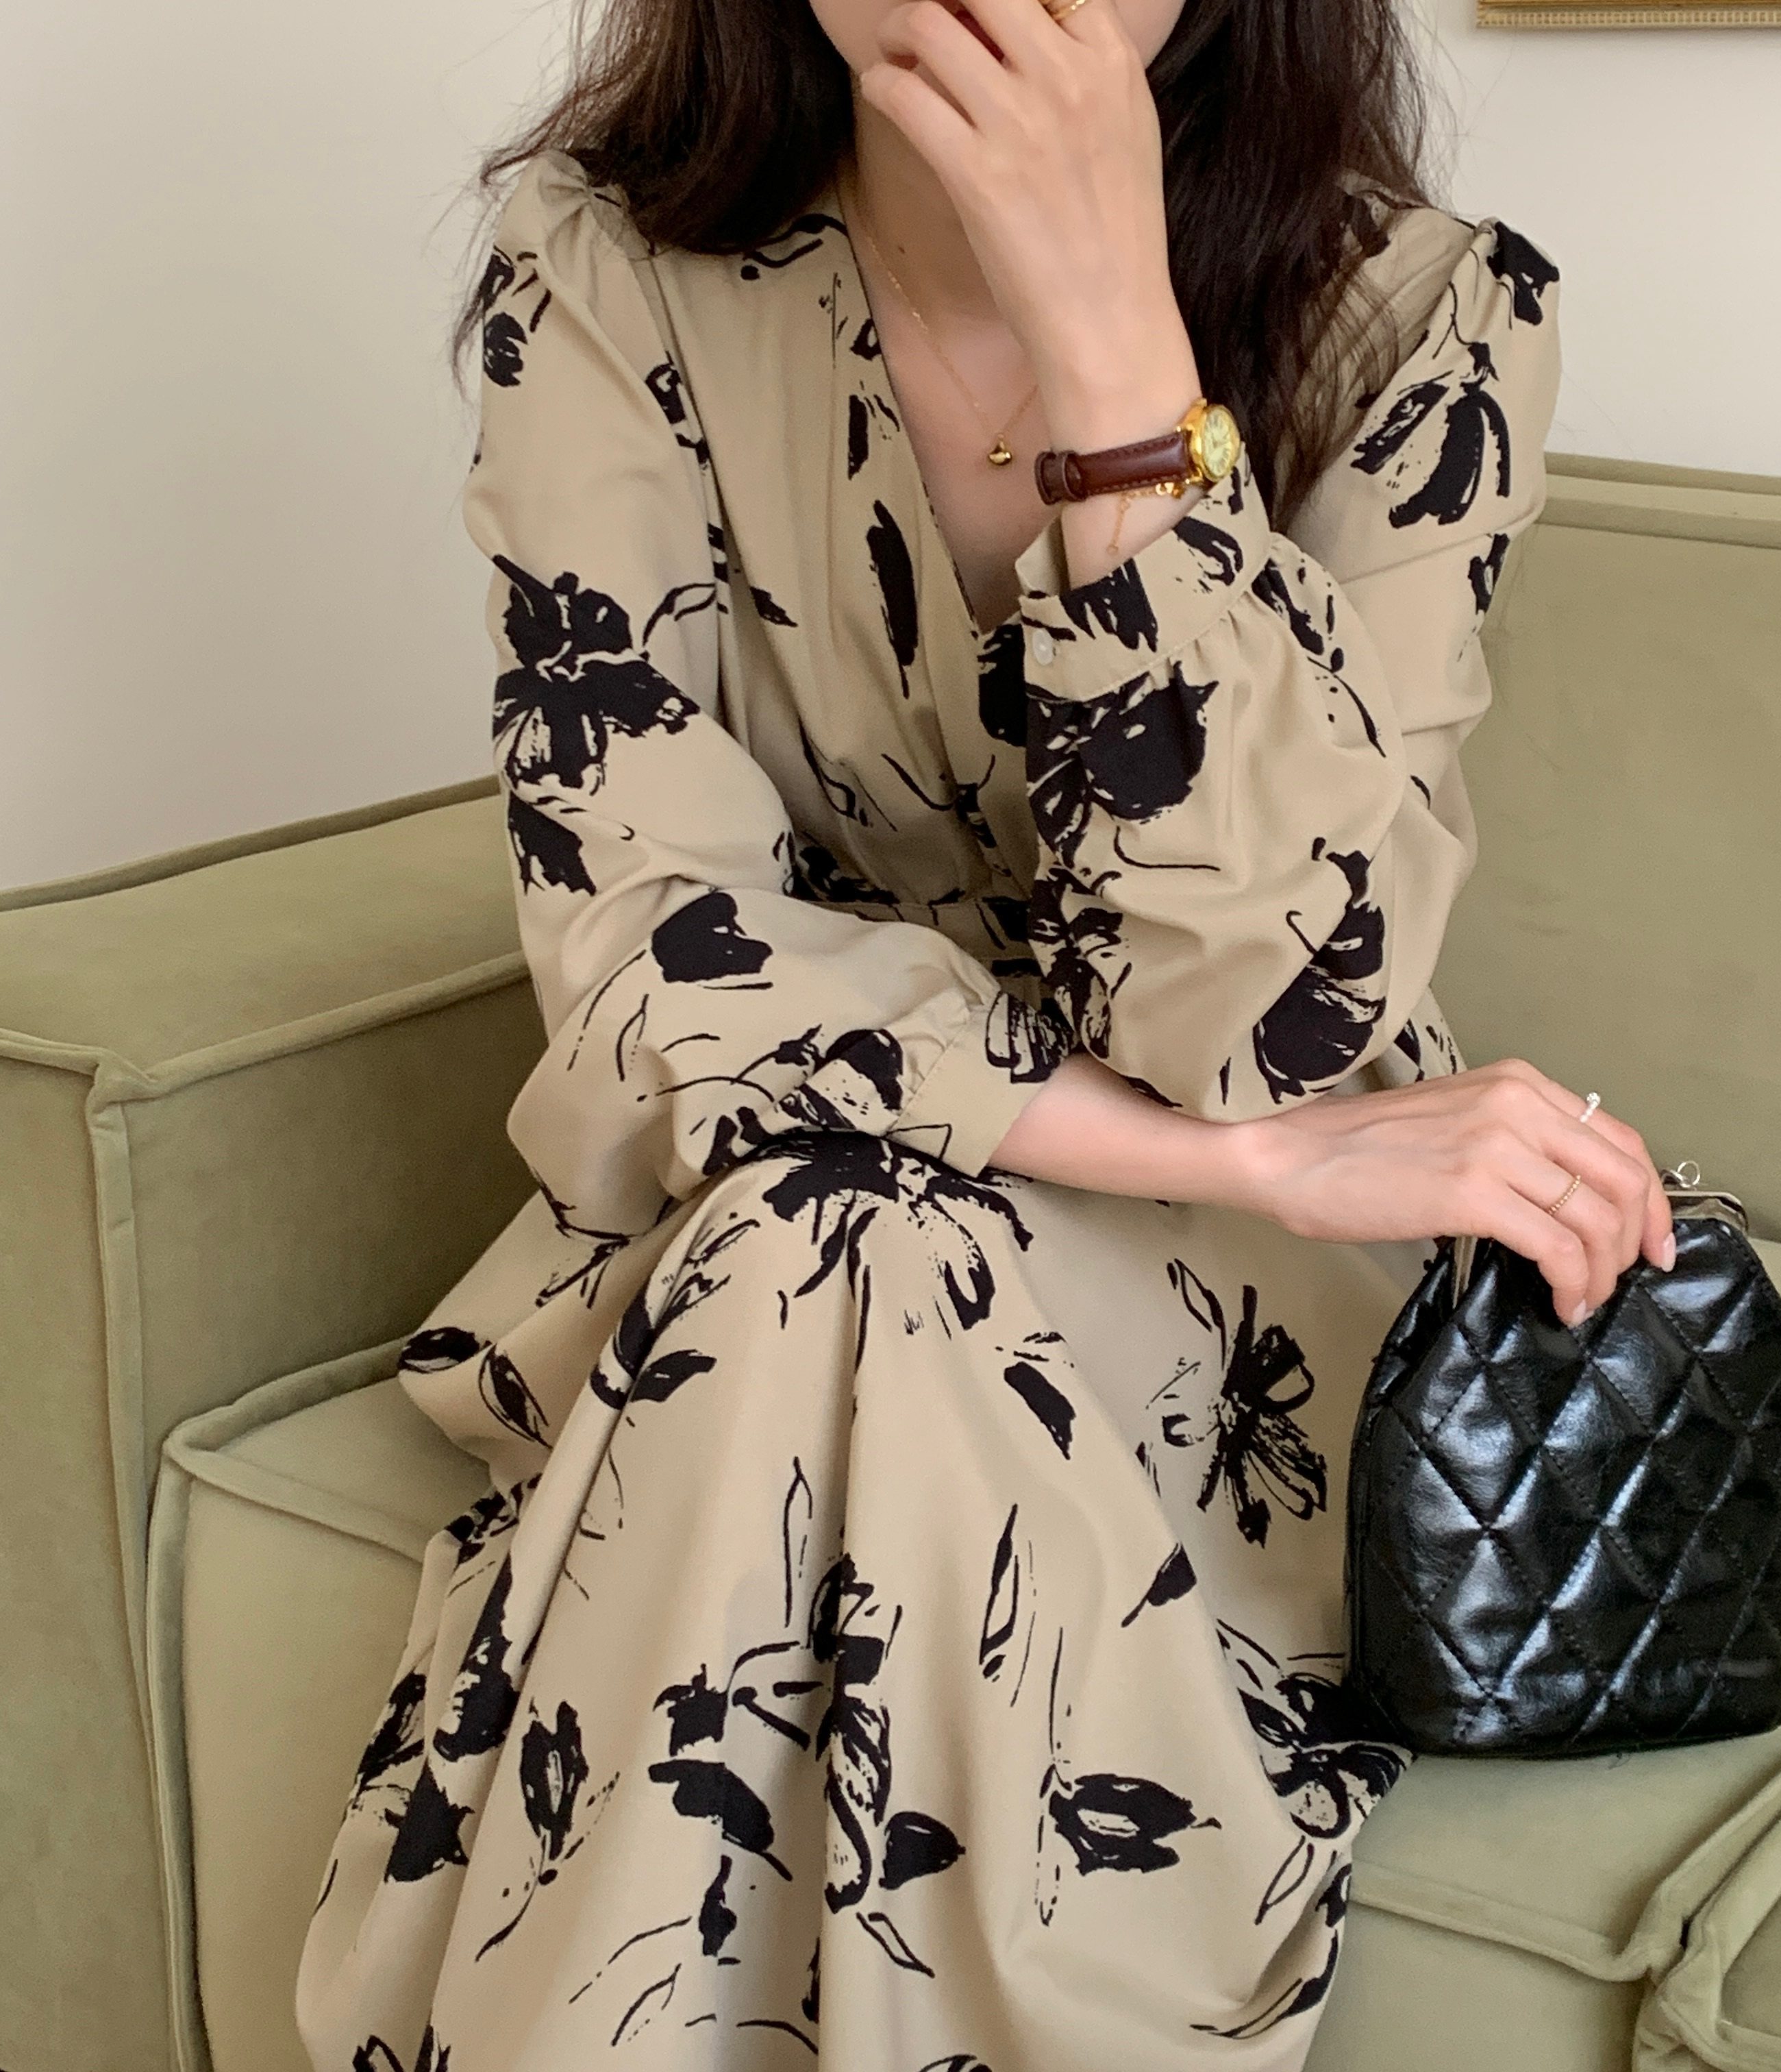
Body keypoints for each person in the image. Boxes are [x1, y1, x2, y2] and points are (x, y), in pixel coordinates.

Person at [297, 0, 1674, 2064]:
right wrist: (1228, 1151)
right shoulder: (603, 271)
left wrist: (1120, 368)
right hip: (876, 1211)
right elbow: (650, 950)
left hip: (1236, 1296)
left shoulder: (1421, 321)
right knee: (832, 1240)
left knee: (817, 1246)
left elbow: (1261, 1022)